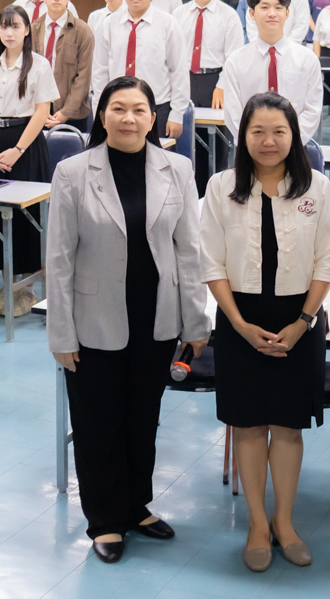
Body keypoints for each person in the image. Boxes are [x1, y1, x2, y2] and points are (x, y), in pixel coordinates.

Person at [44, 76, 209, 564]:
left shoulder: (177, 169)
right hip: (92, 319)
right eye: (118, 108)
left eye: (139, 109)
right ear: (103, 115)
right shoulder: (73, 172)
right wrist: (60, 333)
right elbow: (59, 259)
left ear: (153, 117)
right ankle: (105, 519)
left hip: (156, 317)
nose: (129, 118)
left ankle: (136, 506)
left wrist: (196, 322)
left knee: (142, 419)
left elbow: (190, 251)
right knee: (97, 423)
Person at [200, 94, 330, 572]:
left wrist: (303, 323)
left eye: (279, 131)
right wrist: (238, 325)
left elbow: (327, 261)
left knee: (288, 426)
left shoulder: (317, 186)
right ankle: (258, 524)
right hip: (240, 318)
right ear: (243, 137)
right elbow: (211, 262)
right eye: (257, 131)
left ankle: (285, 521)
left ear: (294, 136)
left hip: (300, 319)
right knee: (249, 424)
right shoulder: (221, 187)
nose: (268, 141)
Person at [0, 5, 58, 316]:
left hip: (25, 145)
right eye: (4, 27)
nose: (9, 33)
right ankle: (6, 284)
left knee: (25, 218)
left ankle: (26, 288)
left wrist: (18, 150)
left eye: (15, 26)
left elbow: (42, 112)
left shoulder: (39, 65)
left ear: (26, 31)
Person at [220, 0, 324, 143]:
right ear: (252, 13)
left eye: (278, 7)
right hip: (250, 147)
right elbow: (233, 112)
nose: (272, 13)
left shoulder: (307, 60)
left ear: (287, 13)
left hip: (294, 145)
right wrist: (254, 141)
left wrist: (288, 141)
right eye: (264, 7)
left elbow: (313, 110)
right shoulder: (236, 61)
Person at [95, 0, 187, 147]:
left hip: (156, 107)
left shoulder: (168, 24)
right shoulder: (108, 24)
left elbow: (179, 71)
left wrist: (177, 113)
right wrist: (101, 110)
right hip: (117, 107)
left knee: (156, 160)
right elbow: (100, 71)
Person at [177, 0, 244, 112]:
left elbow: (234, 57)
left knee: (215, 125)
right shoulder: (178, 14)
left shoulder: (229, 15)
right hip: (185, 79)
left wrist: (222, 86)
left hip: (215, 79)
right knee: (187, 125)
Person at [38, 0, 96, 134]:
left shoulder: (83, 31)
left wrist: (66, 112)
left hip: (73, 115)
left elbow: (83, 76)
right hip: (38, 112)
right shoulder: (33, 28)